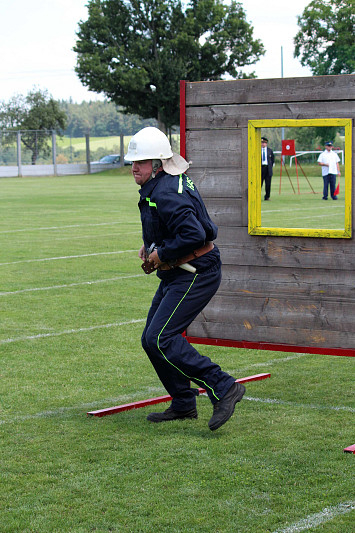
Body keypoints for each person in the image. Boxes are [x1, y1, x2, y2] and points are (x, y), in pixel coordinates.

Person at [124, 127, 245, 431]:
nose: (134, 167)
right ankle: (182, 402)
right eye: (133, 162)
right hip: (181, 270)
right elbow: (178, 223)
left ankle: (224, 386)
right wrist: (153, 244)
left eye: (142, 161)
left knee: (160, 338)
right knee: (151, 340)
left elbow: (194, 233)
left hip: (196, 271)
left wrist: (160, 252)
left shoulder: (164, 190)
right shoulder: (165, 183)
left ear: (159, 163)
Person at [261, 137, 274, 201]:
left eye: (264, 143)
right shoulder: (257, 150)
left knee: (268, 184)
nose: (262, 144)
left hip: (268, 169)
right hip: (260, 168)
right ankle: (257, 196)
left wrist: (270, 167)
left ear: (266, 143)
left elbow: (272, 160)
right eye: (261, 143)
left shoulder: (270, 150)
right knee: (259, 183)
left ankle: (267, 196)